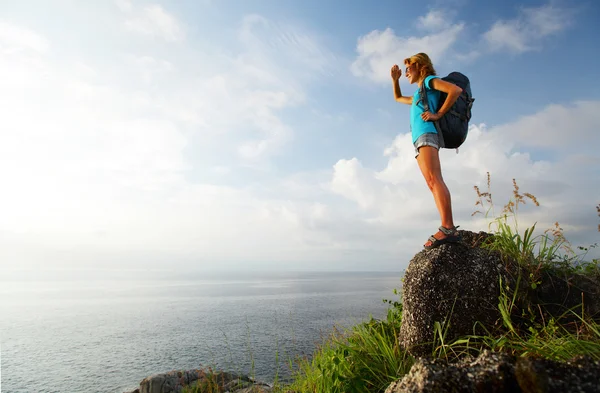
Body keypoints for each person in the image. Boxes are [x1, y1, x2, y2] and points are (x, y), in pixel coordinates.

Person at [390, 53, 462, 249]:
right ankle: (447, 227)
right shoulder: (417, 94)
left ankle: (448, 228)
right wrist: (395, 80)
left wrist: (438, 114)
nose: (405, 73)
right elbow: (397, 98)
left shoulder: (429, 81)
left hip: (428, 134)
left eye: (408, 68)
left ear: (420, 67)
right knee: (431, 182)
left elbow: (454, 90)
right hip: (420, 139)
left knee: (434, 179)